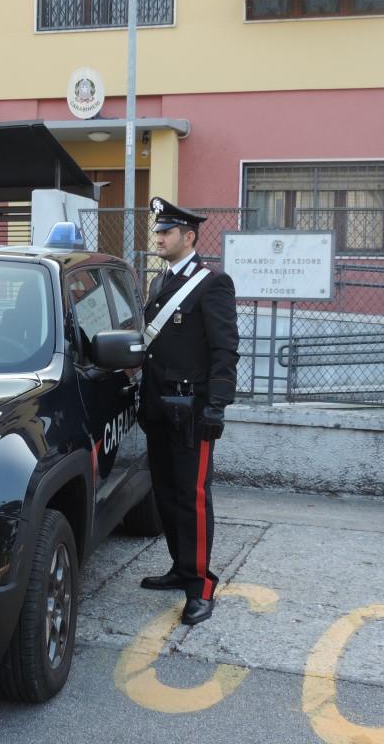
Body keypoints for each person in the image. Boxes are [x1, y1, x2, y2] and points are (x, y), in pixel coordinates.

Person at [138, 196, 239, 626]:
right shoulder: (160, 282)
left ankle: (200, 585)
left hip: (192, 409)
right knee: (166, 494)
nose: (158, 237)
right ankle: (180, 567)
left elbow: (225, 347)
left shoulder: (212, 283)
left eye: (166, 232)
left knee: (193, 499)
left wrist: (216, 404)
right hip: (160, 408)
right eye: (157, 231)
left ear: (189, 236)